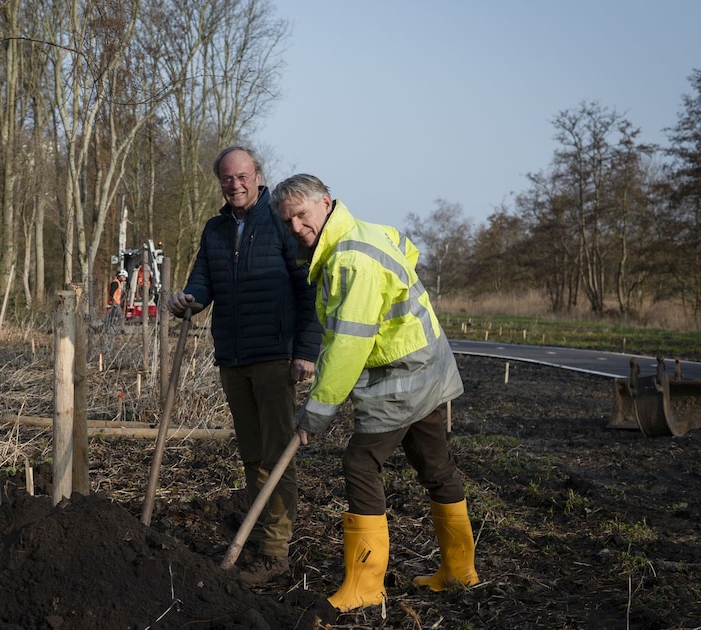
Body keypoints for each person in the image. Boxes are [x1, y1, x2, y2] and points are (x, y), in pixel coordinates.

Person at [270, 174, 479, 612]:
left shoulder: (351, 261)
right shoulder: (364, 232)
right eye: (287, 221)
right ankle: (460, 572)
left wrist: (316, 412)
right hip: (427, 361)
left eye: (302, 215)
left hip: (403, 373)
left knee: (361, 463)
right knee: (434, 464)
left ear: (325, 203)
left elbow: (348, 345)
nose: (295, 228)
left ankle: (365, 586)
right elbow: (406, 249)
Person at [166, 146, 322, 584]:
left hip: (275, 356)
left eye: (242, 176)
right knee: (251, 453)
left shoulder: (281, 222)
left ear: (257, 176)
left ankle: (274, 551)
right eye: (226, 179)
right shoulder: (214, 229)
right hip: (232, 356)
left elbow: (308, 291)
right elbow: (202, 280)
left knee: (275, 454)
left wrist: (306, 350)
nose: (235, 185)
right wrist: (187, 300)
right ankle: (258, 532)